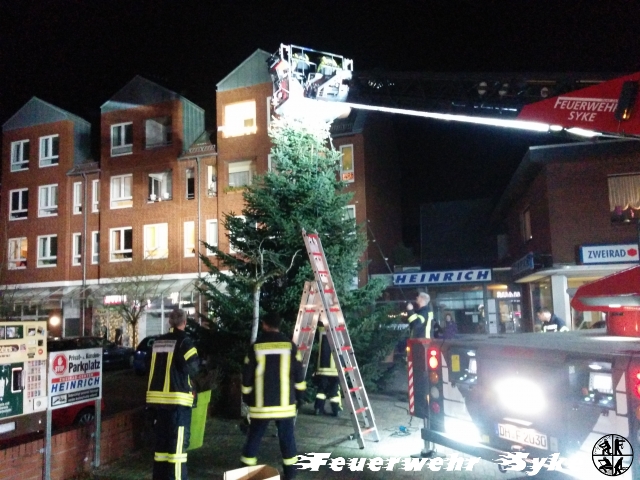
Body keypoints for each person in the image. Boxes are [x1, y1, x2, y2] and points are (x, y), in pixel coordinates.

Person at [240, 313, 306, 480]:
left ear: (264, 325)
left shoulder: (256, 347)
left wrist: (246, 397)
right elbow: (299, 375)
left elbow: (246, 375)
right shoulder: (291, 347)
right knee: (287, 439)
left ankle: (246, 472)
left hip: (261, 404)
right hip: (285, 404)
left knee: (254, 438)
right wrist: (300, 397)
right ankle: (290, 473)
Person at [146, 308, 200, 480]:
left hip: (157, 405)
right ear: (184, 322)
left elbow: (148, 366)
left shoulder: (157, 342)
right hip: (178, 404)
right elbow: (194, 368)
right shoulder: (185, 342)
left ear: (170, 322)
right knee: (177, 452)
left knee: (161, 451)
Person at [313, 324, 342, 417]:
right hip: (335, 369)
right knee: (334, 390)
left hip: (322, 367)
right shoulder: (339, 330)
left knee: (321, 390)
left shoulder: (321, 330)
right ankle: (336, 410)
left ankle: (318, 409)